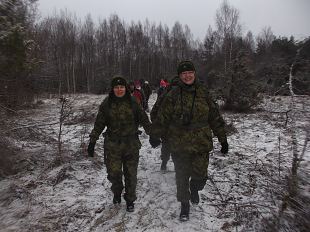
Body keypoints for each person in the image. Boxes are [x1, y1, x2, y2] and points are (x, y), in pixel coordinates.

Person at [149, 60, 229, 221]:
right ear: (179, 76)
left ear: (194, 73)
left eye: (190, 73)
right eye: (183, 74)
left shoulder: (203, 93)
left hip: (201, 143)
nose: (187, 76)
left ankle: (195, 188)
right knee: (181, 177)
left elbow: (214, 117)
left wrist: (223, 139)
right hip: (179, 143)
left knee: (200, 177)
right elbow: (162, 117)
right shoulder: (172, 94)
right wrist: (155, 135)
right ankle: (184, 205)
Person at [87, 75, 151, 212]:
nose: (119, 90)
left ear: (126, 88)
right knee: (114, 173)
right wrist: (93, 140)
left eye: (121, 87)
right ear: (112, 89)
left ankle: (130, 199)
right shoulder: (107, 103)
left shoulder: (133, 102)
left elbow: (144, 120)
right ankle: (117, 191)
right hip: (112, 145)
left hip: (131, 144)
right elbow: (99, 124)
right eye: (116, 87)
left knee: (131, 174)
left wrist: (154, 135)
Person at [150, 76, 179, 171]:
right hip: (172, 127)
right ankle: (173, 165)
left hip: (169, 126)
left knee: (167, 146)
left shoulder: (165, 94)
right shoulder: (166, 95)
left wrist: (156, 125)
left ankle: (165, 162)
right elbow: (155, 111)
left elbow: (154, 111)